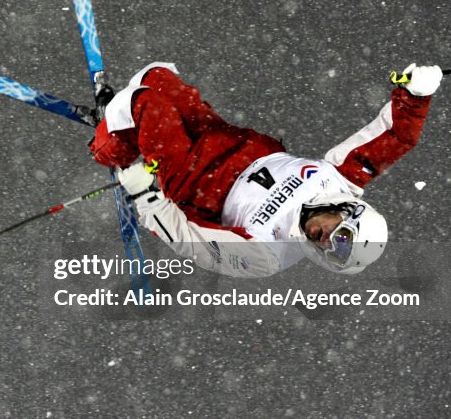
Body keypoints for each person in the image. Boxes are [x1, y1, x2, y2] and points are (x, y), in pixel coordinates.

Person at [88, 62, 442, 277]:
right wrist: (417, 94)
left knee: (146, 104)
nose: (327, 243)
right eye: (342, 237)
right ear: (348, 212)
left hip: (195, 182)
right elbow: (395, 137)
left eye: (336, 254)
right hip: (224, 140)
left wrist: (146, 197)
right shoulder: (340, 181)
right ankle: (127, 123)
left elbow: (193, 243)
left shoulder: (268, 255)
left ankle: (110, 142)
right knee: (157, 76)